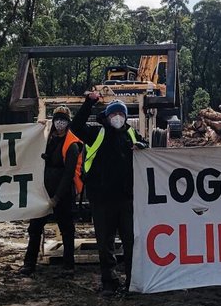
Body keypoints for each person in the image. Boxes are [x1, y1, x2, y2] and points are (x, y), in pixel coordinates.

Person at [71, 92, 147, 292]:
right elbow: (76, 126)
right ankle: (109, 282)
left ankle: (132, 281)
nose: (118, 118)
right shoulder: (97, 134)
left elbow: (147, 152)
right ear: (107, 117)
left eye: (121, 114)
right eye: (114, 115)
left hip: (126, 199)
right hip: (102, 199)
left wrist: (142, 146)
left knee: (130, 242)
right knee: (105, 244)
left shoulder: (131, 134)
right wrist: (89, 102)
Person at [18, 106, 83, 277]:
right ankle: (29, 264)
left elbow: (69, 174)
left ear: (68, 122)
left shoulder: (72, 145)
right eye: (57, 119)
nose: (59, 123)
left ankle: (68, 266)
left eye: (63, 119)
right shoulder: (48, 139)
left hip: (63, 194)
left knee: (67, 230)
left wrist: (57, 197)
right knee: (35, 228)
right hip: (43, 191)